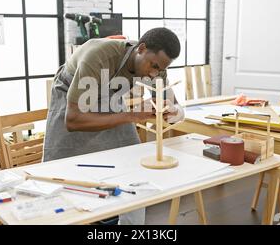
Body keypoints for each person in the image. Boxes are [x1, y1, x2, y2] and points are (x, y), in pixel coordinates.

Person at [43, 27, 185, 224]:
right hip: (72, 99)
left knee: (135, 165)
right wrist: (130, 116)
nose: (154, 74)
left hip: (111, 97)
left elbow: (173, 104)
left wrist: (172, 111)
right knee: (58, 171)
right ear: (141, 49)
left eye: (160, 69)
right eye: (153, 66)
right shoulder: (98, 57)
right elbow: (74, 120)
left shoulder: (157, 67)